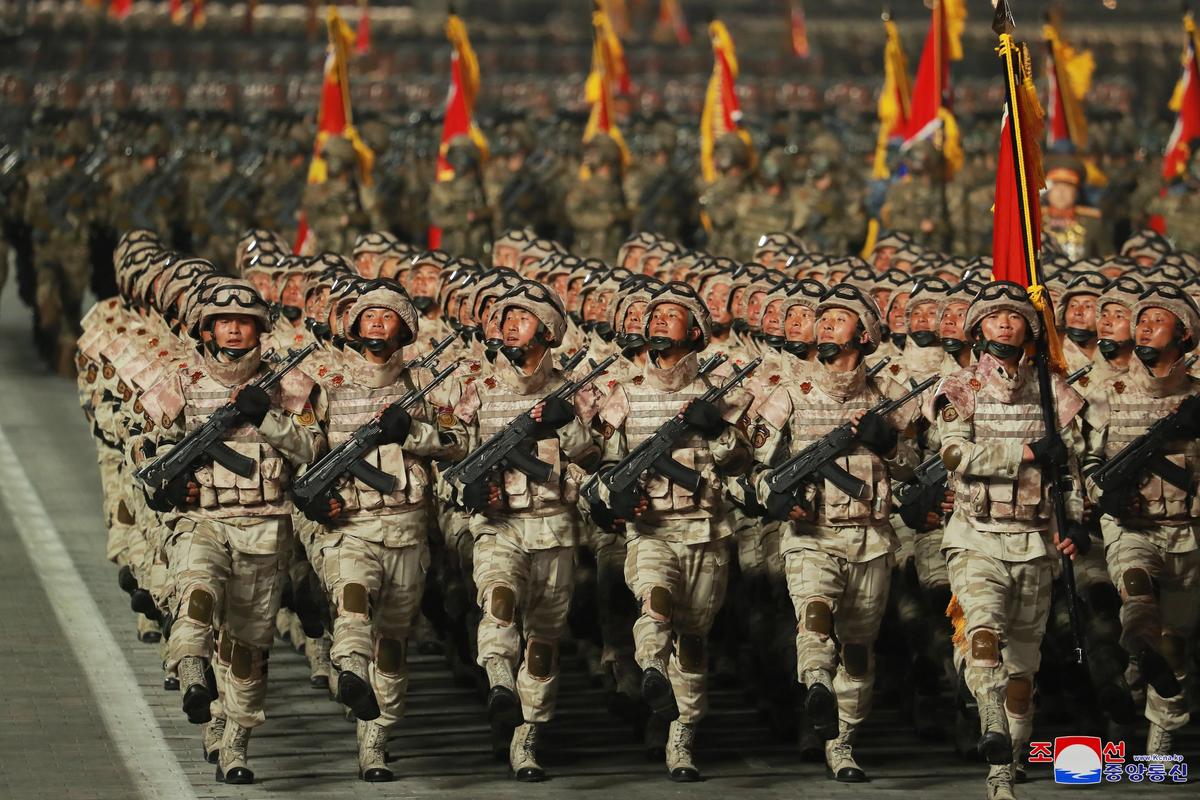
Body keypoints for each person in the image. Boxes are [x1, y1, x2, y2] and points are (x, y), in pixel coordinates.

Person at [139, 280, 323, 785]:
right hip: (205, 521)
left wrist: (267, 419)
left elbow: (312, 448)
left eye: (244, 322)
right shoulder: (181, 378)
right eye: (224, 321)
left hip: (265, 526)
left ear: (260, 329)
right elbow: (147, 445)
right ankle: (191, 666)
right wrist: (173, 488)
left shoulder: (291, 386)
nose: (235, 329)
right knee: (197, 589)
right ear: (207, 328)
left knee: (247, 641)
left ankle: (235, 738)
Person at [752, 284, 919, 782]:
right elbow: (754, 468)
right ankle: (817, 684)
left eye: (839, 319)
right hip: (812, 536)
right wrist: (776, 497)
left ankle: (843, 738)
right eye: (822, 319)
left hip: (871, 537)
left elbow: (913, 468)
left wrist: (886, 443)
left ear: (864, 335)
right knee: (815, 615)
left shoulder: (890, 395)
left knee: (860, 646)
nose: (825, 325)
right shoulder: (789, 392)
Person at [302, 283, 467, 781]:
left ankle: (377, 738)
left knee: (393, 638)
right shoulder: (324, 381)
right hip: (351, 524)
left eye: (387, 315)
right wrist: (310, 502)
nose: (376, 322)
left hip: (406, 526)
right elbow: (303, 449)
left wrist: (411, 432)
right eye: (367, 315)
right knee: (352, 598)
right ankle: (349, 668)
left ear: (405, 327)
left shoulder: (425, 384)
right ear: (353, 325)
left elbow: (459, 443)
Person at [932, 281, 1088, 800]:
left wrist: (1076, 524)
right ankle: (993, 744)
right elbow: (955, 456)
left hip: (1034, 540)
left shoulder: (1055, 392)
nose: (1004, 324)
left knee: (1023, 666)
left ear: (1031, 328)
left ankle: (1015, 752)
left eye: (1015, 317)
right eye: (994, 317)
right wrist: (1022, 453)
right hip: (976, 537)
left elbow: (1074, 472)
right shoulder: (958, 388)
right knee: (983, 634)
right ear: (978, 329)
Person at [593, 282, 752, 781]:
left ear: (696, 329)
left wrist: (716, 430)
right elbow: (599, 458)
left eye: (672, 314)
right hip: (652, 528)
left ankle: (681, 734)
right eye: (655, 314)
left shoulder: (719, 388)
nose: (660, 320)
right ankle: (652, 668)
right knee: (654, 600)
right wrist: (609, 498)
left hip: (706, 529)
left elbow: (741, 458)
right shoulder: (625, 390)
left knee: (695, 637)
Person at [448, 282, 601, 781]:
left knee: (543, 639)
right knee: (498, 599)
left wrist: (566, 424)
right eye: (506, 317)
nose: (511, 324)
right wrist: (466, 494)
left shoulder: (573, 387)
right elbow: (451, 453)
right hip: (499, 524)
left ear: (549, 330)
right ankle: (497, 680)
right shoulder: (477, 384)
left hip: (554, 526)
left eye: (524, 317)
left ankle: (527, 736)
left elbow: (593, 456)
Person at [1081, 284, 1200, 759]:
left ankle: (1157, 739)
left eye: (1159, 321)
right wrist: (1102, 493)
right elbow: (1083, 463)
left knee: (1171, 646)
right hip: (1132, 527)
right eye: (1142, 321)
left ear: (1185, 333)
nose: (1146, 327)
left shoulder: (1195, 397)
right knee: (1136, 591)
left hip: (1189, 529)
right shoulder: (1106, 393)